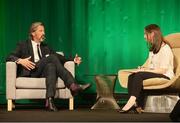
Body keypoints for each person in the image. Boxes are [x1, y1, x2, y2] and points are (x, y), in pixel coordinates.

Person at [6, 22, 91, 111]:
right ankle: (72, 85)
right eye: (41, 31)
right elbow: (9, 56)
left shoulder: (45, 47)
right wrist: (20, 61)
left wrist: (73, 60)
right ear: (33, 33)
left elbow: (59, 57)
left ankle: (49, 101)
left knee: (51, 66)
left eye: (44, 31)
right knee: (52, 58)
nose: (44, 33)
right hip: (30, 71)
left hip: (43, 72)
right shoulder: (23, 45)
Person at [118, 24, 174, 113]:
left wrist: (144, 71)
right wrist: (143, 68)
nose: (144, 36)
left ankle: (131, 102)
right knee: (131, 76)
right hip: (156, 72)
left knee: (139, 75)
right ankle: (137, 105)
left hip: (165, 75)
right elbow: (151, 66)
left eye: (145, 34)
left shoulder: (165, 49)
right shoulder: (153, 49)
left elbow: (163, 70)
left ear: (152, 34)